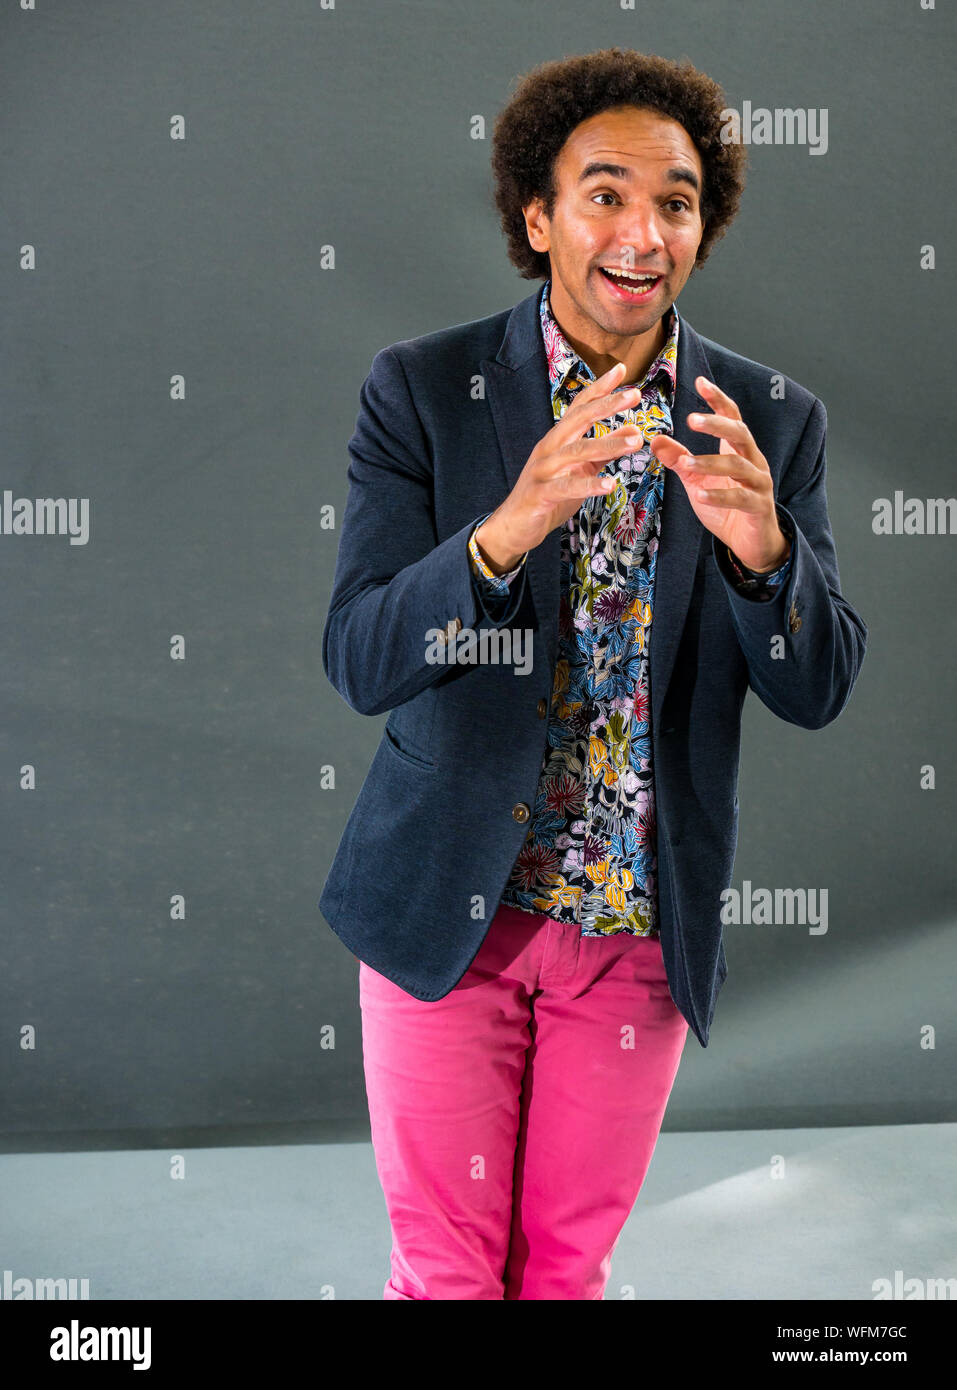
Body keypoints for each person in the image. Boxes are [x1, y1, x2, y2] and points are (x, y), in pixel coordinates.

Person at [319, 47, 867, 1300]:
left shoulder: (767, 422)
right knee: (450, 1275)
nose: (641, 231)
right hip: (450, 913)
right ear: (537, 215)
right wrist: (501, 533)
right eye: (604, 192)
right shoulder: (424, 391)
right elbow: (360, 655)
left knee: (564, 1274)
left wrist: (767, 555)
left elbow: (818, 683)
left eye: (674, 201)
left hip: (634, 932)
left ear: (702, 228)